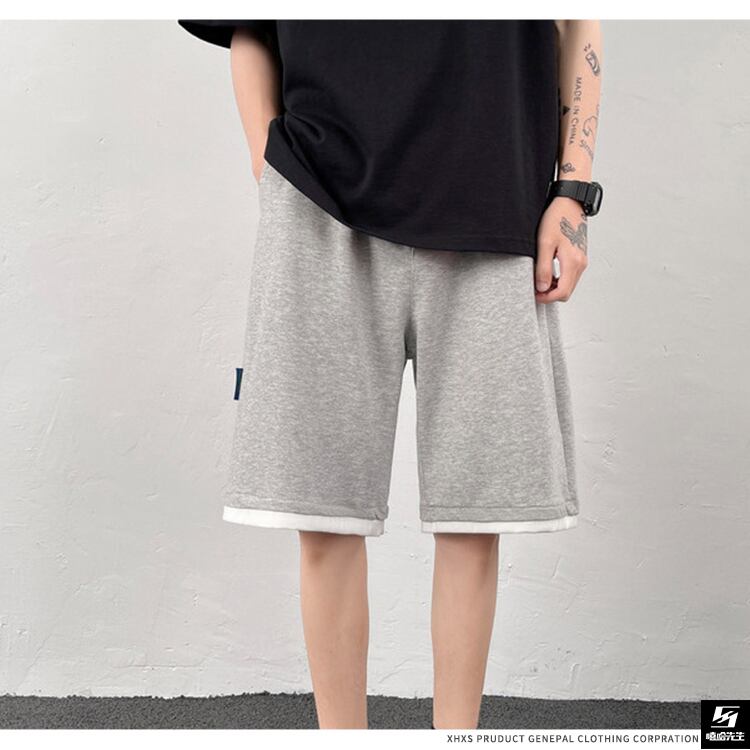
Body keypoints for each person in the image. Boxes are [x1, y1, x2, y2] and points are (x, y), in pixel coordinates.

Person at [177, 19, 603, 730]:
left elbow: (576, 19)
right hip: (320, 203)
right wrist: (267, 160)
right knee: (323, 516)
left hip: (493, 194)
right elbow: (246, 21)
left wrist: (573, 189)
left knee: (477, 517)